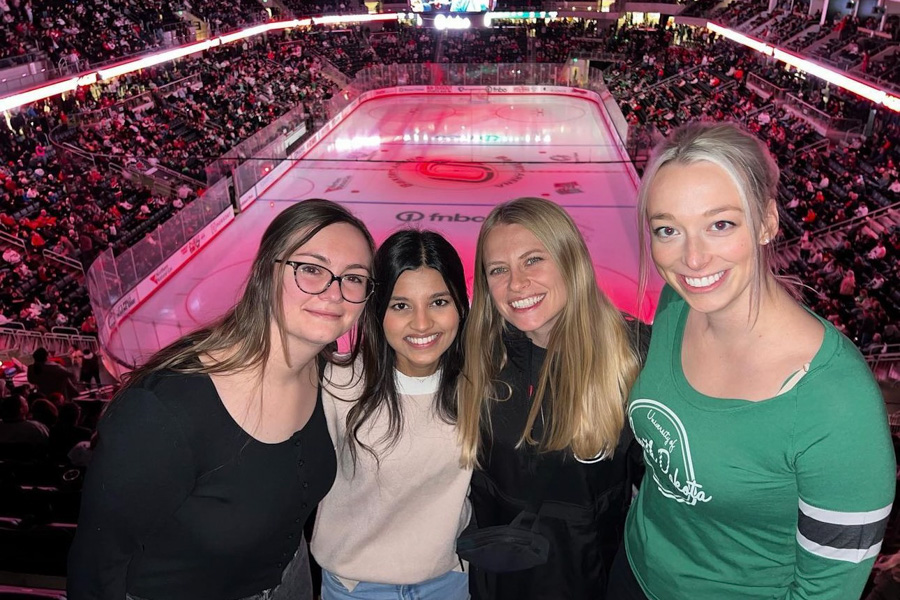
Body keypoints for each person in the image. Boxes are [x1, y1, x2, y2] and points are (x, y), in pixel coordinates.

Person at [608, 122, 896, 600]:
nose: (692, 259)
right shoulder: (676, 308)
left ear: (766, 222)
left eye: (720, 224)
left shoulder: (839, 404)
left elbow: (826, 591)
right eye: (668, 230)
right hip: (632, 568)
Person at [68, 199, 376, 600]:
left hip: (293, 580)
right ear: (267, 270)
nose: (334, 292)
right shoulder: (164, 411)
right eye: (311, 269)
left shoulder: (326, 373)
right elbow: (96, 569)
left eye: (354, 278)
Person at [457, 197, 645, 599]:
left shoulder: (632, 356)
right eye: (498, 269)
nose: (516, 283)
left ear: (570, 259)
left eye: (533, 260)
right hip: (498, 585)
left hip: (594, 584)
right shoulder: (473, 355)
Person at [312, 229, 472, 599]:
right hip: (354, 587)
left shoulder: (478, 386)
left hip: (449, 581)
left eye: (438, 302)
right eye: (401, 306)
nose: (422, 323)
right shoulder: (337, 382)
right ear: (378, 309)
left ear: (460, 305)